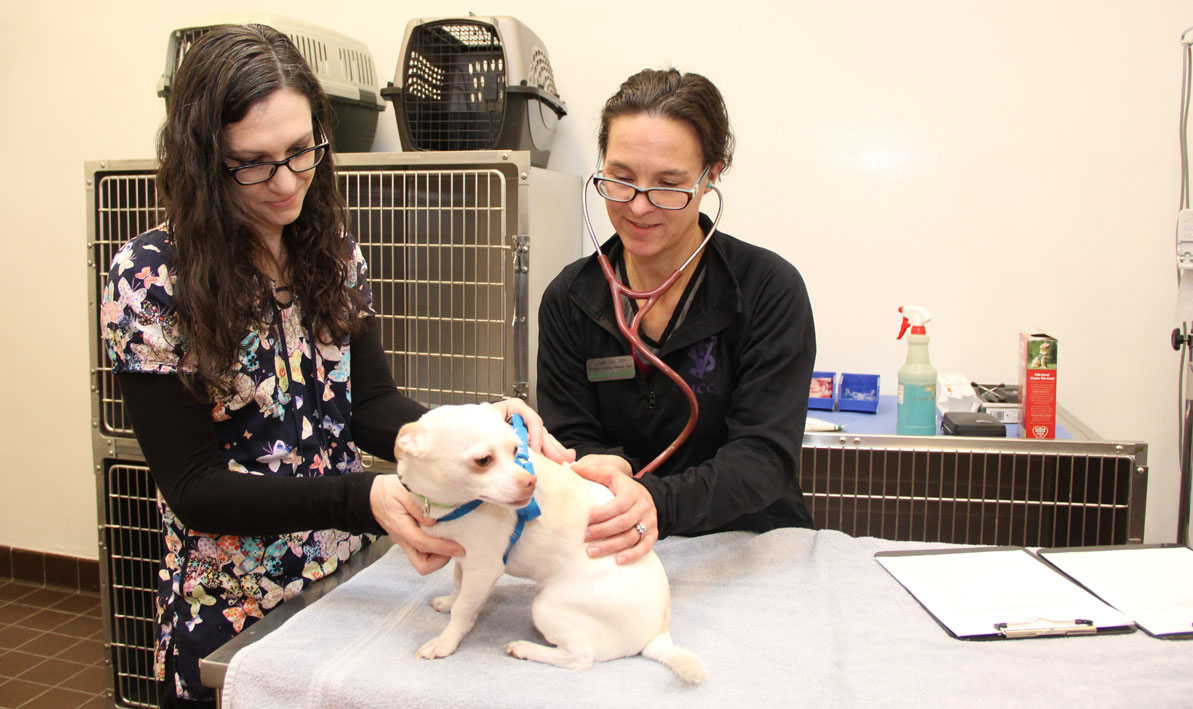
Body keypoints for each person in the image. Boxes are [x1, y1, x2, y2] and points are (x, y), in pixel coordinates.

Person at [101, 25, 566, 707]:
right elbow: (193, 486)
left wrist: (469, 429)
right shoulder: (148, 278)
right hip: (225, 606)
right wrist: (361, 498)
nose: (286, 181)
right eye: (252, 163)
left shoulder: (331, 251)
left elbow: (370, 407)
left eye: (301, 151)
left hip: (337, 587)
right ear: (203, 161)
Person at [537, 68, 817, 567]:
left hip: (749, 545)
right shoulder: (571, 299)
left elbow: (762, 458)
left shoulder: (767, 289)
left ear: (712, 176)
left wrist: (658, 502)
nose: (639, 207)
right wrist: (608, 468)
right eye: (620, 179)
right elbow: (571, 439)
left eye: (669, 185)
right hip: (615, 543)